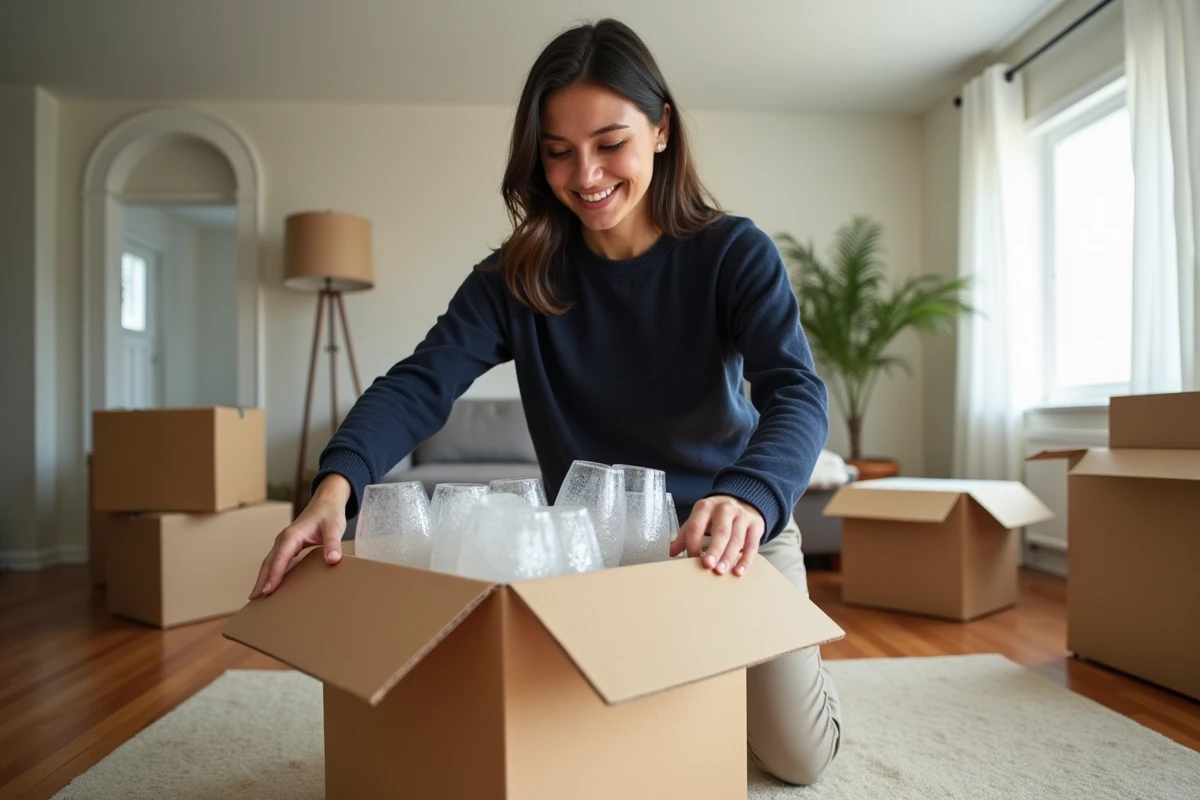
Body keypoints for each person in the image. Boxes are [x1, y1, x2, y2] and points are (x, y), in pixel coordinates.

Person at [250, 17, 841, 786]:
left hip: (732, 540)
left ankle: (786, 667)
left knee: (795, 760)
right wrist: (334, 488)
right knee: (583, 746)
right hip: (597, 556)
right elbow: (419, 383)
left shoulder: (733, 254)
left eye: (610, 142)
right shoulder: (515, 278)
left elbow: (796, 391)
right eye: (558, 152)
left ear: (661, 130)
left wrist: (752, 498)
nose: (585, 174)